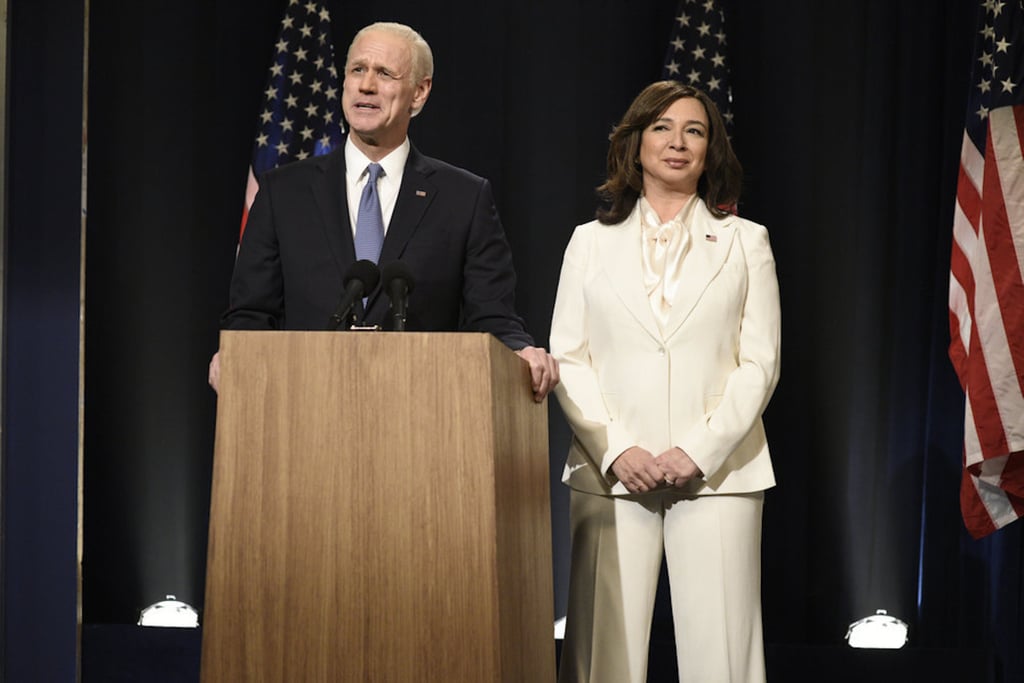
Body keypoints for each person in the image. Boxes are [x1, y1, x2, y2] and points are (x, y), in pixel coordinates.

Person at [550, 81, 781, 682]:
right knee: (604, 657)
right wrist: (617, 448)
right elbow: (568, 358)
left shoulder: (745, 241)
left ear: (711, 150)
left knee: (722, 657)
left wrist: (699, 450)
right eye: (662, 128)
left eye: (694, 131)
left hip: (719, 475)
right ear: (636, 142)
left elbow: (759, 364)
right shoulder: (588, 242)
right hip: (612, 474)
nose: (677, 142)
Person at [208, 21, 558, 401]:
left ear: (419, 93)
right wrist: (235, 353)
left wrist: (521, 350)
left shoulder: (464, 198)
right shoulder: (283, 192)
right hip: (303, 407)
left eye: (385, 74)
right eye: (357, 69)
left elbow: (492, 316)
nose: (367, 85)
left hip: (419, 411)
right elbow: (252, 314)